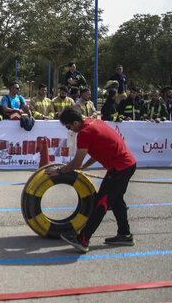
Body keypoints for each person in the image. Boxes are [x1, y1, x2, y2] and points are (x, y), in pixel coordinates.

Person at [46, 107, 137, 253]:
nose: (70, 130)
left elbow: (75, 163)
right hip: (128, 165)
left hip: (120, 168)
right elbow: (100, 148)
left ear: (75, 122)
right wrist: (85, 166)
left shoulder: (84, 133)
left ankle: (83, 239)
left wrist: (59, 171)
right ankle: (125, 234)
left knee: (101, 202)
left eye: (69, 127)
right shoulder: (94, 122)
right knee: (117, 200)